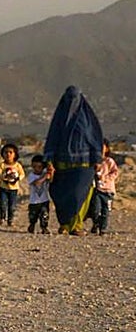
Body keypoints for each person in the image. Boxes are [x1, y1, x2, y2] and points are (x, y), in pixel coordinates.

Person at [44, 86, 104, 235]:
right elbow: (52, 139)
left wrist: (97, 158)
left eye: (75, 99)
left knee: (79, 194)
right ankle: (64, 224)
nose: (72, 103)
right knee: (62, 195)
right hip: (62, 164)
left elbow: (95, 138)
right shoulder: (59, 120)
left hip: (84, 164)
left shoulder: (87, 120)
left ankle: (77, 225)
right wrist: (50, 161)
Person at [91, 140, 120, 235]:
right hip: (98, 190)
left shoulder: (109, 161)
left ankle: (102, 229)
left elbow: (115, 173)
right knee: (95, 210)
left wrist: (105, 178)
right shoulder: (95, 161)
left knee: (106, 211)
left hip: (108, 191)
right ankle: (96, 224)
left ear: (106, 148)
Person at [0, 143, 23, 227]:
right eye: (6, 152)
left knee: (12, 205)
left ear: (15, 154)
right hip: (3, 187)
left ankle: (10, 219)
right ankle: (2, 217)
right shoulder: (2, 165)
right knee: (2, 203)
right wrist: (3, 177)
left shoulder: (17, 165)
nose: (8, 154)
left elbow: (22, 174)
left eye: (10, 152)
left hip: (13, 188)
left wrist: (17, 178)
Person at [26, 154, 52, 234]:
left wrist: (50, 172)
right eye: (34, 167)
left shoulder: (44, 174)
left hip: (44, 200)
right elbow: (36, 183)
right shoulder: (31, 176)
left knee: (44, 215)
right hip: (34, 202)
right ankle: (32, 225)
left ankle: (44, 227)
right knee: (33, 216)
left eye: (39, 167)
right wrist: (44, 177)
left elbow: (51, 180)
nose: (37, 169)